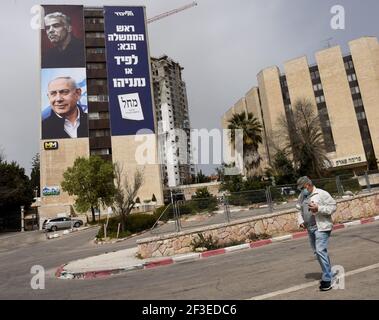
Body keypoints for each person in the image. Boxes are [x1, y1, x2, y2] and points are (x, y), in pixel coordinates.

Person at [296, 176, 337, 291]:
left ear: (308, 185)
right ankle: (328, 273)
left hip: (322, 227)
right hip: (310, 228)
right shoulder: (302, 196)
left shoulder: (321, 193)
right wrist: (301, 221)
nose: (301, 191)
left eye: (302, 188)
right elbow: (298, 209)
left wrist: (318, 208)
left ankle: (328, 278)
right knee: (318, 252)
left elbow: (333, 207)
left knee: (320, 250)